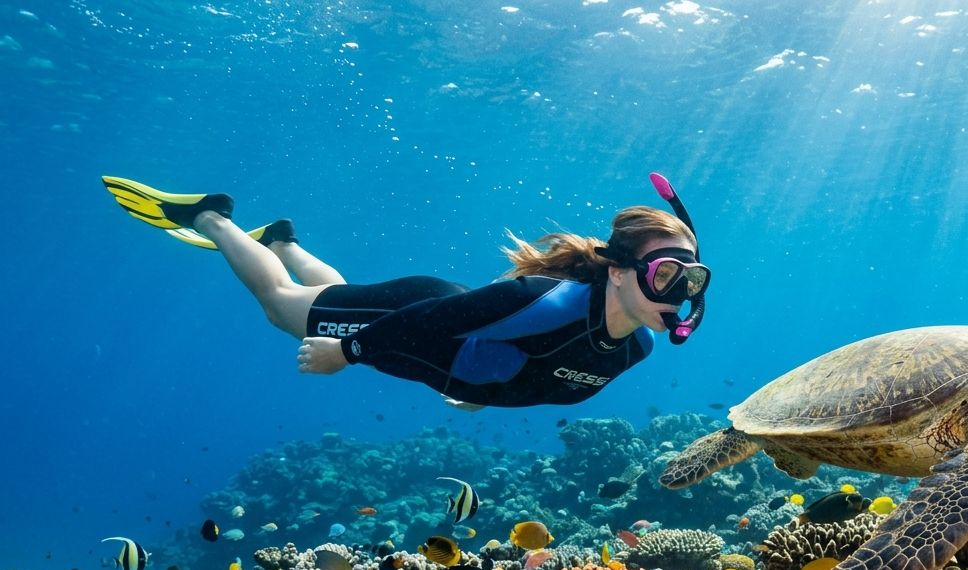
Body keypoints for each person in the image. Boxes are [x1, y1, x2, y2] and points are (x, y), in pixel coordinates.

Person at [100, 174, 710, 408]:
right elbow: (429, 319)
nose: (679, 293)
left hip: (441, 335)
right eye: (665, 275)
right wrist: (348, 353)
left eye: (691, 281)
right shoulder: (545, 301)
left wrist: (478, 393)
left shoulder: (634, 350)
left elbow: (534, 372)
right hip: (415, 312)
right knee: (284, 311)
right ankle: (212, 217)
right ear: (620, 270)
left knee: (336, 295)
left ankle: (282, 240)